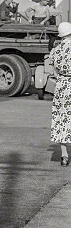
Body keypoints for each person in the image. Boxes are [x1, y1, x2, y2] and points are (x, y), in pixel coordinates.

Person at [48, 21, 71, 167]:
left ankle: (64, 155)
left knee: (62, 118)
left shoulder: (55, 50)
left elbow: (54, 72)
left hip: (62, 85)